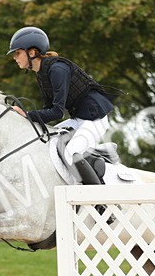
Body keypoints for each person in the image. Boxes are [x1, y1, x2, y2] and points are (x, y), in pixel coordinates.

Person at [7, 26, 117, 185]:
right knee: (48, 142)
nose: (15, 58)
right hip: (79, 120)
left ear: (31, 52)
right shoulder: (41, 74)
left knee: (71, 153)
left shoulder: (58, 69)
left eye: (17, 53)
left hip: (95, 119)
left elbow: (57, 112)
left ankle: (100, 202)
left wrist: (27, 114)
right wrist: (26, 118)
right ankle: (98, 152)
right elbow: (47, 110)